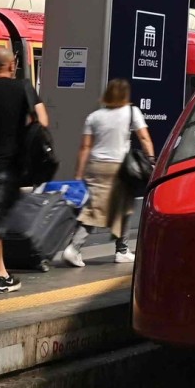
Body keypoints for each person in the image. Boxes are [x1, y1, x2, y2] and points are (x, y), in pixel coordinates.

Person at [63, 79, 150, 266]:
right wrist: (151, 159)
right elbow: (144, 137)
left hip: (96, 166)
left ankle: (114, 249)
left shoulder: (94, 116)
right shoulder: (131, 112)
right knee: (123, 208)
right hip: (119, 167)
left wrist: (78, 174)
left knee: (96, 207)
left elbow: (85, 147)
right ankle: (80, 248)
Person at [0, 49, 32, 292]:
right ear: (11, 65)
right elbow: (41, 120)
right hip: (5, 166)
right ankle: (0, 275)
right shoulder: (22, 89)